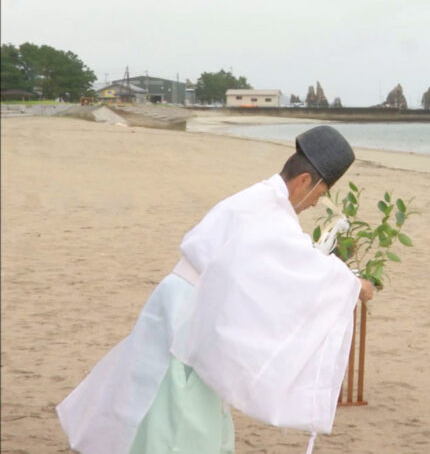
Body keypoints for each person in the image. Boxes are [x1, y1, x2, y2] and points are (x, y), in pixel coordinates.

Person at [57, 125, 374, 453]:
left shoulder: (263, 200)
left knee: (157, 399)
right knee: (177, 414)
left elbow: (282, 265)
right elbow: (300, 266)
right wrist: (354, 285)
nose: (313, 205)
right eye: (319, 195)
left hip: (186, 304)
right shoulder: (269, 212)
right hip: (189, 312)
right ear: (304, 181)